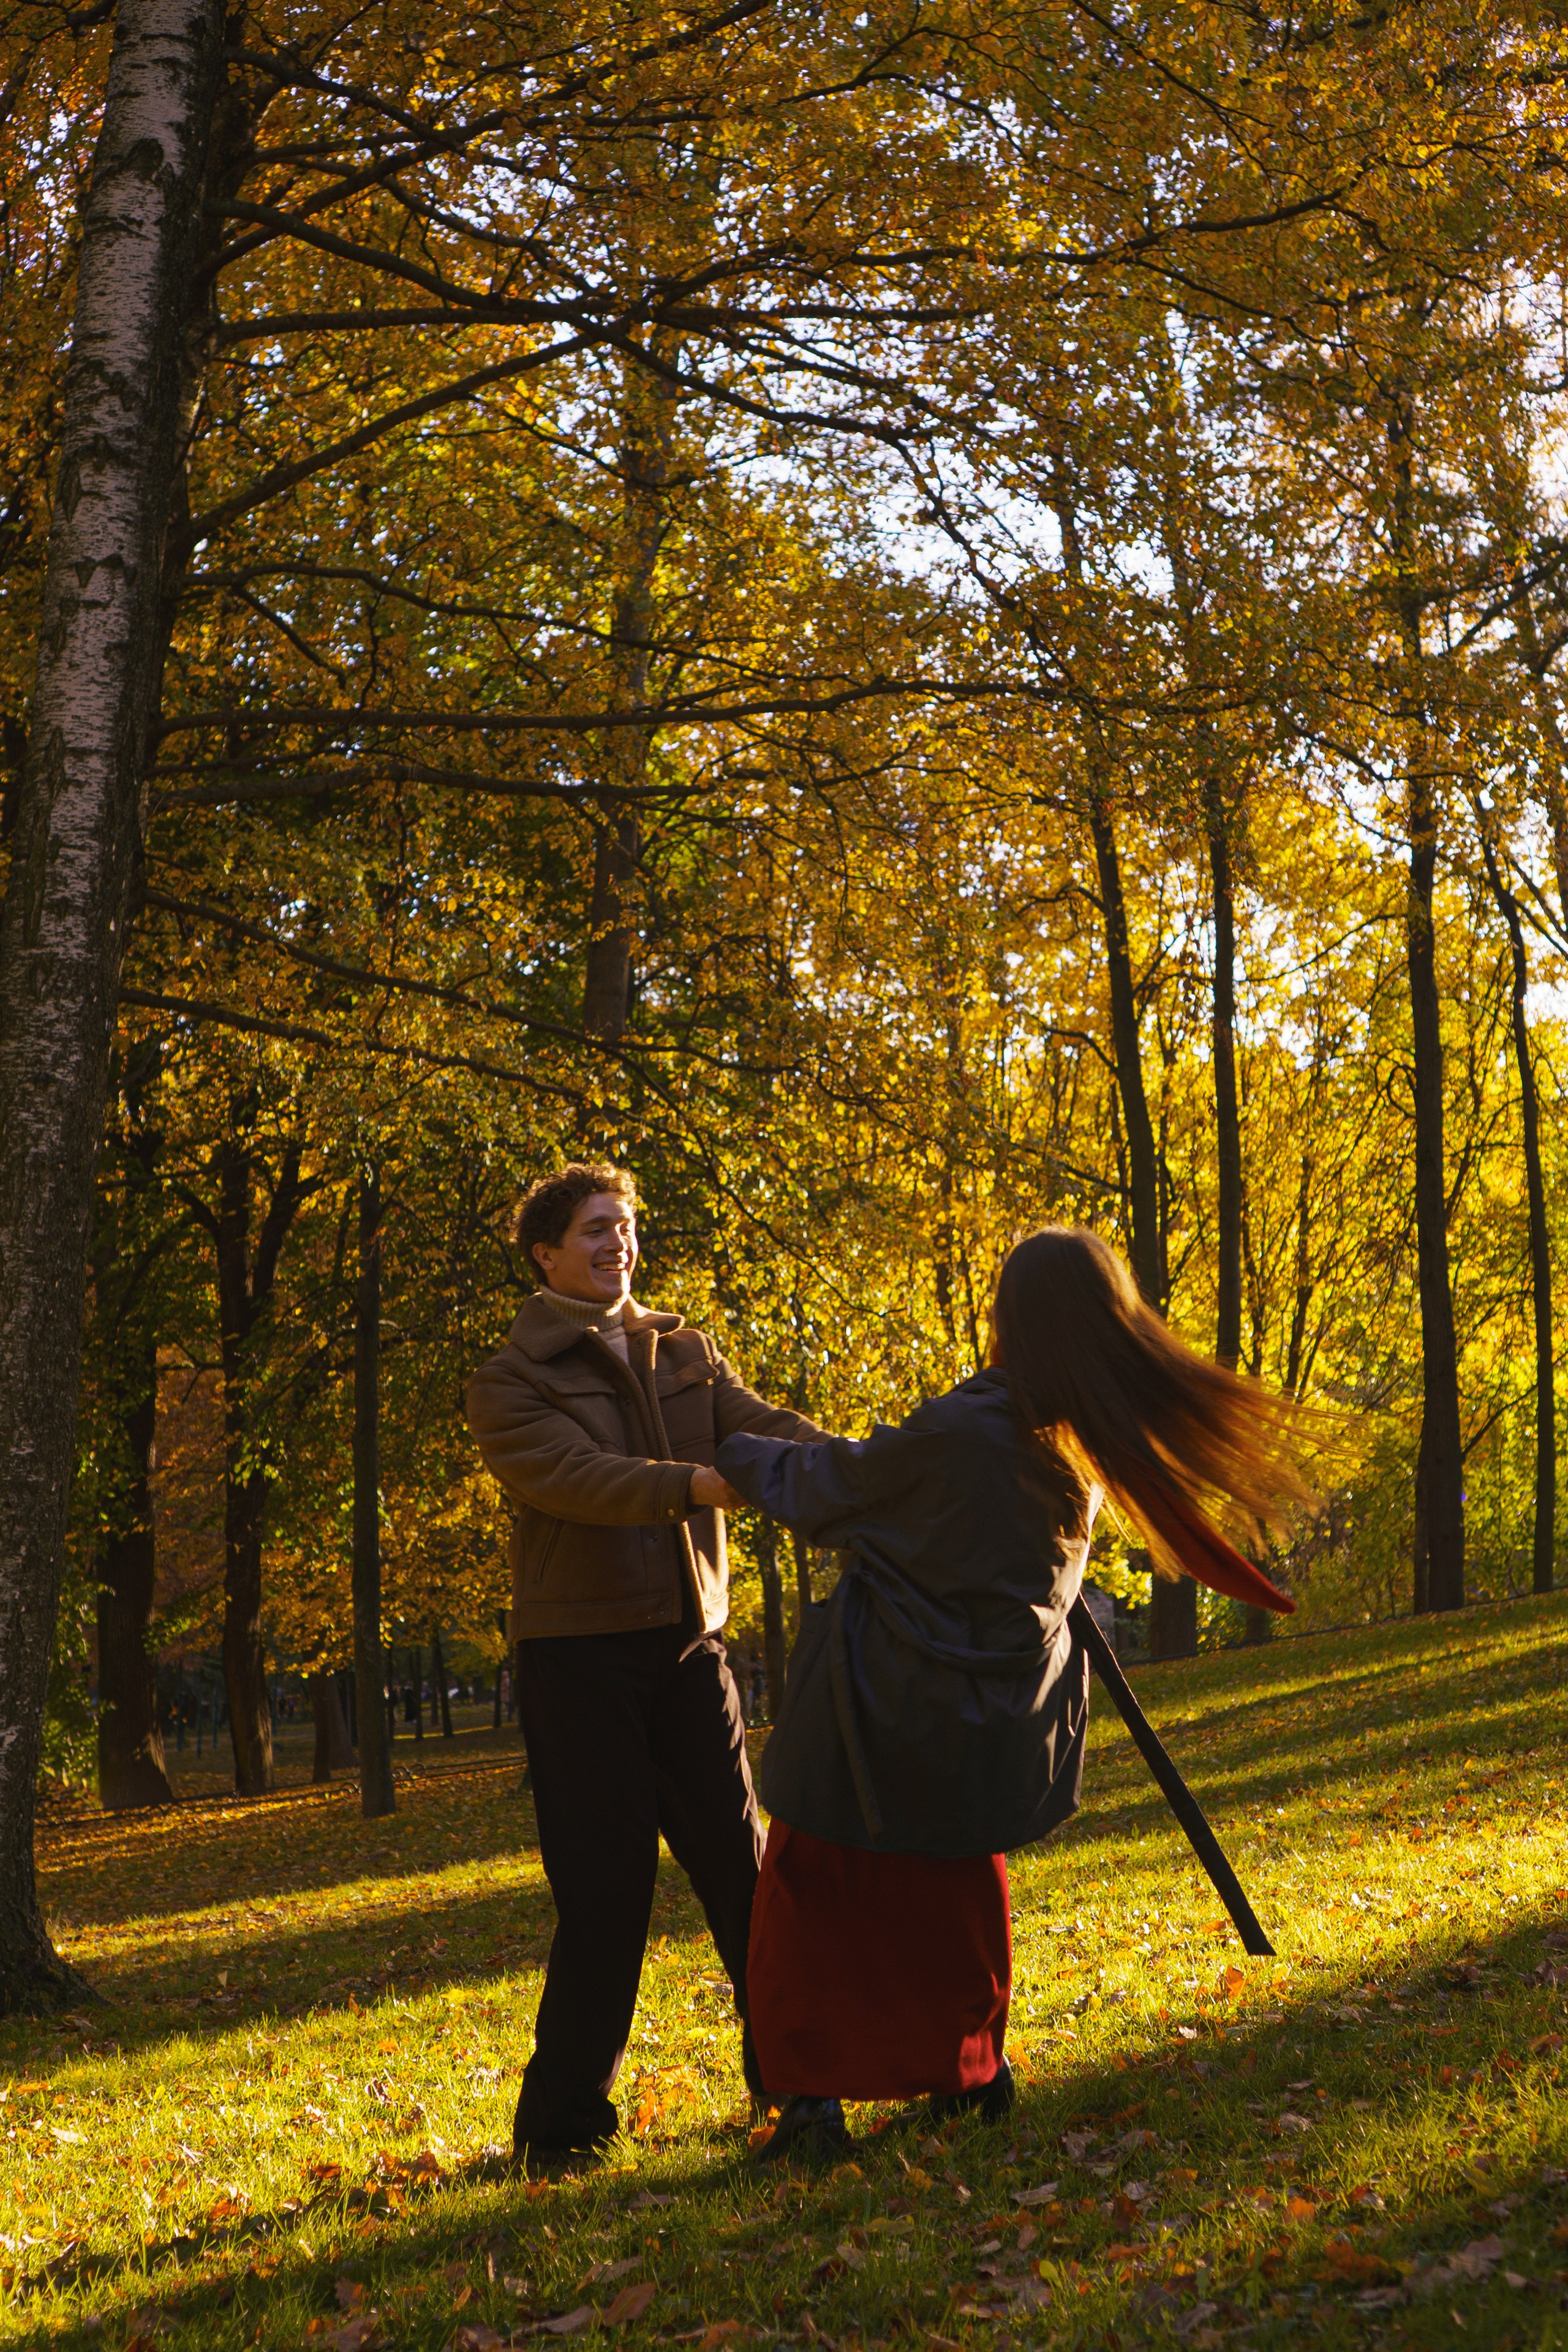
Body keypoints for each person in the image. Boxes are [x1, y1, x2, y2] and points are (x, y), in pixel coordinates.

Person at [713, 1225, 1307, 2162]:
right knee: (952, 1897)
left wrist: (735, 1450)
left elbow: (834, 1490)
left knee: (810, 1896)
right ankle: (970, 2075)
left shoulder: (967, 1427)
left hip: (880, 1705)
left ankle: (814, 2105)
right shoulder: (1082, 1443)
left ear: (1016, 1316)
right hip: (991, 1721)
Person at [465, 1161, 826, 2166]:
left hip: (689, 1647)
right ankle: (562, 2127)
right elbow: (574, 1478)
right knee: (605, 1893)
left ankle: (796, 2084)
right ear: (546, 1255)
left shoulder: (685, 1350)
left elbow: (766, 1429)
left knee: (747, 1872)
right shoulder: (510, 1380)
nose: (615, 1242)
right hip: (580, 1659)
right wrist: (699, 1486)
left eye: (623, 1225)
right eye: (594, 1229)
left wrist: (861, 1463)